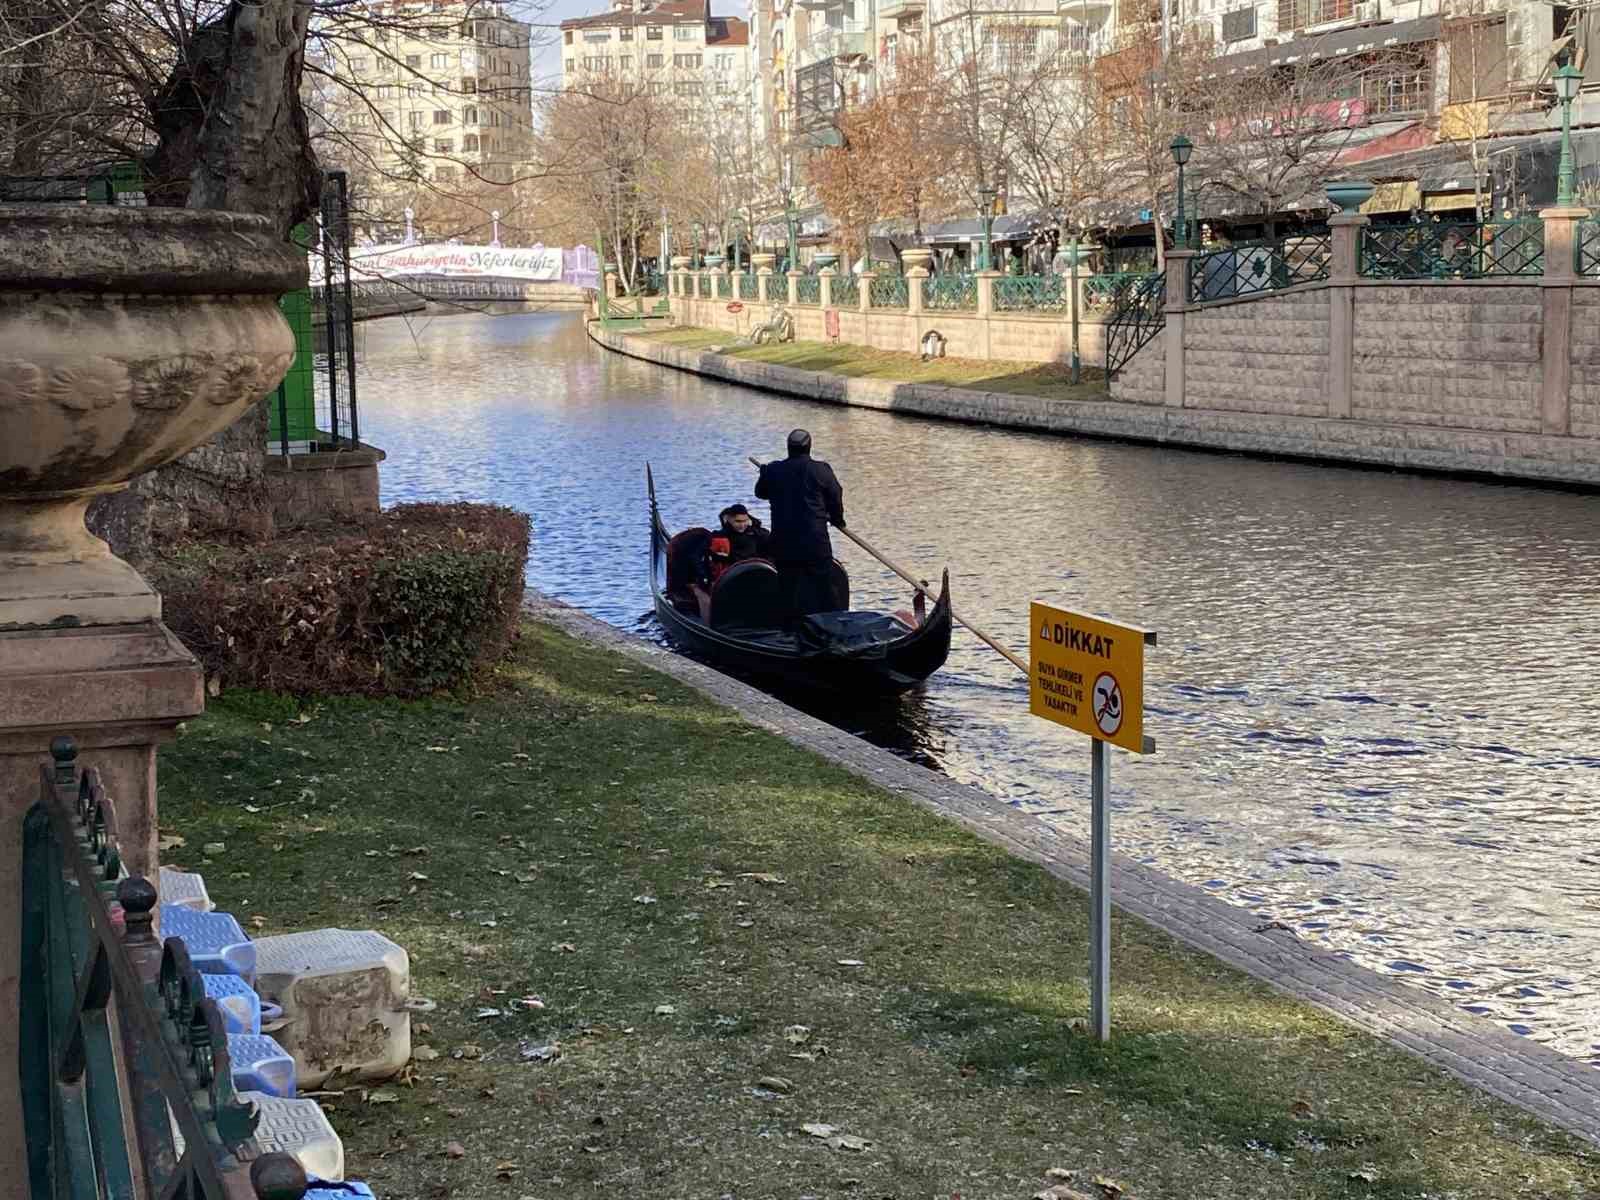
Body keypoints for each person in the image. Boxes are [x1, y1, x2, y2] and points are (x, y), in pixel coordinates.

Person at [754, 429, 847, 622]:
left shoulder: (773, 470)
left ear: (788, 448)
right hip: (815, 540)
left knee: (788, 587)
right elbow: (835, 495)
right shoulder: (821, 469)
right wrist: (837, 519)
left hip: (784, 541)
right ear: (809, 447)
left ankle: (790, 630)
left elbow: (761, 493)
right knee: (824, 587)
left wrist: (765, 474)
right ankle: (833, 628)